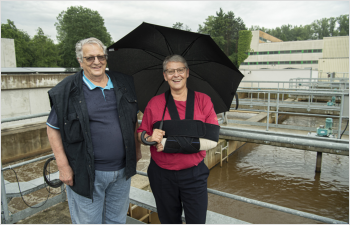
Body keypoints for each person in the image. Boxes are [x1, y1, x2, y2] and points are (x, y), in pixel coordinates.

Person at [46, 37, 141, 224]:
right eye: (90, 58)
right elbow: (53, 128)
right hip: (86, 172)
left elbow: (133, 120)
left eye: (100, 56)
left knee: (117, 220)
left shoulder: (123, 83)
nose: (96, 62)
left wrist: (137, 150)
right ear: (80, 61)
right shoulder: (67, 90)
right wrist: (63, 167)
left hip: (122, 172)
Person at [137, 55, 219, 224]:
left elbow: (212, 139)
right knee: (169, 221)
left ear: (187, 73)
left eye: (180, 70)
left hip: (194, 174)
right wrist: (148, 138)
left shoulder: (203, 100)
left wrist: (168, 144)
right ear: (165, 75)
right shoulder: (154, 103)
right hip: (162, 176)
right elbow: (140, 133)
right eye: (171, 71)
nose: (176, 75)